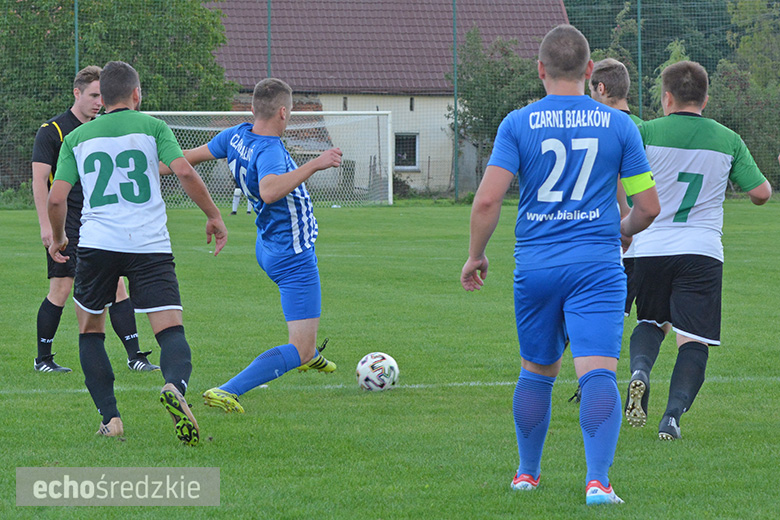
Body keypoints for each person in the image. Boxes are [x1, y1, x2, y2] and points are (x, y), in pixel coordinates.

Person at [460, 25, 659, 505]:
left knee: (536, 371)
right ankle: (597, 483)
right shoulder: (619, 125)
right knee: (596, 373)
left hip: (537, 267)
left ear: (540, 70)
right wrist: (624, 229)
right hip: (596, 266)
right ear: (590, 71)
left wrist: (475, 255)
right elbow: (649, 206)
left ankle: (527, 475)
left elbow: (487, 201)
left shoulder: (517, 123)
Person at [48, 61, 228, 444]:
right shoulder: (153, 126)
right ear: (136, 94)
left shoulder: (76, 138)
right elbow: (182, 171)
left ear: (103, 99)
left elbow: (57, 197)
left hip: (97, 244)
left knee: (90, 331)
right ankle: (175, 385)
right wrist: (213, 215)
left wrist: (59, 238)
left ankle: (111, 420)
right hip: (149, 244)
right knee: (170, 330)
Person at [169, 78, 340, 414]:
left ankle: (309, 354)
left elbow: (182, 160)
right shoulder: (271, 149)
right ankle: (228, 390)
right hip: (291, 254)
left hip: (267, 244)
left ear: (252, 109)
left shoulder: (236, 135)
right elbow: (270, 190)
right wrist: (315, 163)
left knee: (304, 331)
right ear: (282, 112)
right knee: (300, 346)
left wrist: (147, 164)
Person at [624, 60, 771, 441]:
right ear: (705, 98)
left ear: (666, 97)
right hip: (702, 250)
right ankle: (672, 416)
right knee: (693, 340)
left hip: (650, 244)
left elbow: (620, 177)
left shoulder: (645, 131)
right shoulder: (728, 138)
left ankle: (640, 370)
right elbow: (761, 193)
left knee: (651, 322)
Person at [31, 66, 159, 373]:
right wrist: (46, 226)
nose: (98, 101)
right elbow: (39, 182)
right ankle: (43, 359)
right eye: (92, 95)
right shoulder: (53, 131)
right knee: (61, 288)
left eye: (102, 95)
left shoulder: (102, 127)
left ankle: (135, 356)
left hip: (97, 221)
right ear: (76, 93)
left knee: (116, 286)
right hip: (65, 221)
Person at [589, 58, 642, 316]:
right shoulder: (645, 127)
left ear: (600, 88)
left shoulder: (600, 129)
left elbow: (620, 174)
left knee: (594, 315)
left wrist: (624, 213)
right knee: (655, 319)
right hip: (653, 236)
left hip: (613, 234)